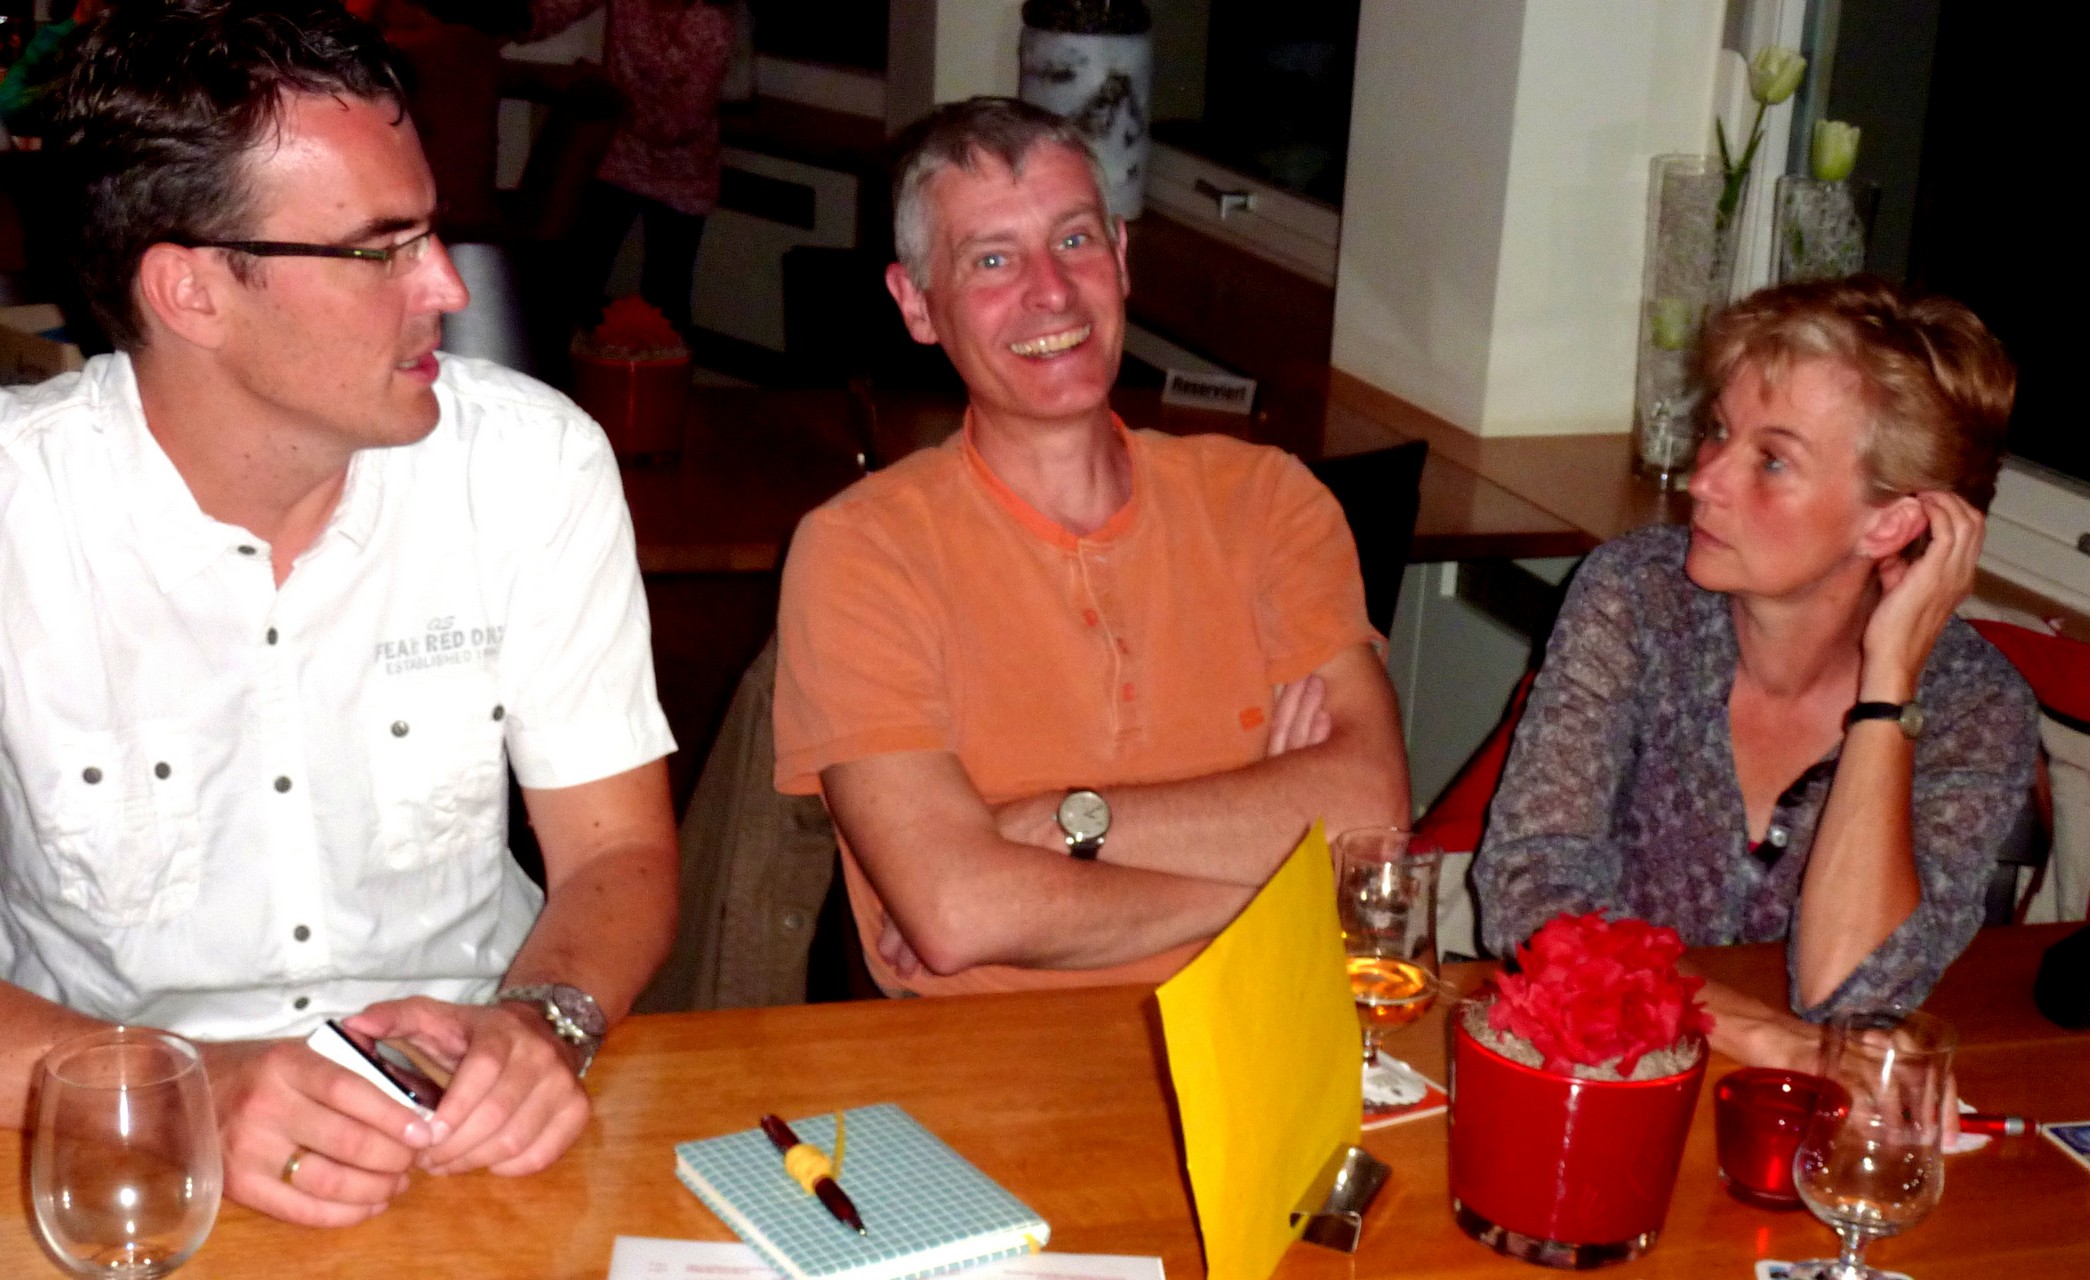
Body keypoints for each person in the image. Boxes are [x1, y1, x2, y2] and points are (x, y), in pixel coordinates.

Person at [0, 0, 678, 1227]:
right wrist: (185, 1083)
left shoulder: (531, 464)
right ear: (192, 290)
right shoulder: (18, 513)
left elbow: (617, 854)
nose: (447, 284)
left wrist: (545, 1021)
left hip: (474, 1128)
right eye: (380, 249)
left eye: (430, 229)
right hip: (121, 1150)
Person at [771, 97, 1410, 997]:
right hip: (995, 1061)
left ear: (1121, 255)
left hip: (1268, 1026)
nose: (1051, 290)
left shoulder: (1268, 501)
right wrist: (1275, 885)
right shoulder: (860, 552)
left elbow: (1370, 813)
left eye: (1074, 240)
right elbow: (957, 912)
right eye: (992, 259)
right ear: (917, 304)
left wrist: (1057, 827)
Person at [1473, 276, 2037, 1068]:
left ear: (1892, 522)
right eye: (1718, 430)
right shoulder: (1638, 597)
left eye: (1772, 460)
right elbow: (1532, 898)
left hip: (1792, 1108)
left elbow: (1857, 993)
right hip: (1604, 1072)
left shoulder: (1977, 707)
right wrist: (1755, 1034)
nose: (1703, 480)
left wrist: (1888, 693)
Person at [527, 0, 735, 335]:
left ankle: (663, 366)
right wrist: (521, 20)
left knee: (666, 296)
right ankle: (566, 361)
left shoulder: (711, 22)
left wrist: (609, 98)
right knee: (577, 276)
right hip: (618, 160)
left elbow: (678, 125)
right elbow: (561, 6)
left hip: (682, 178)